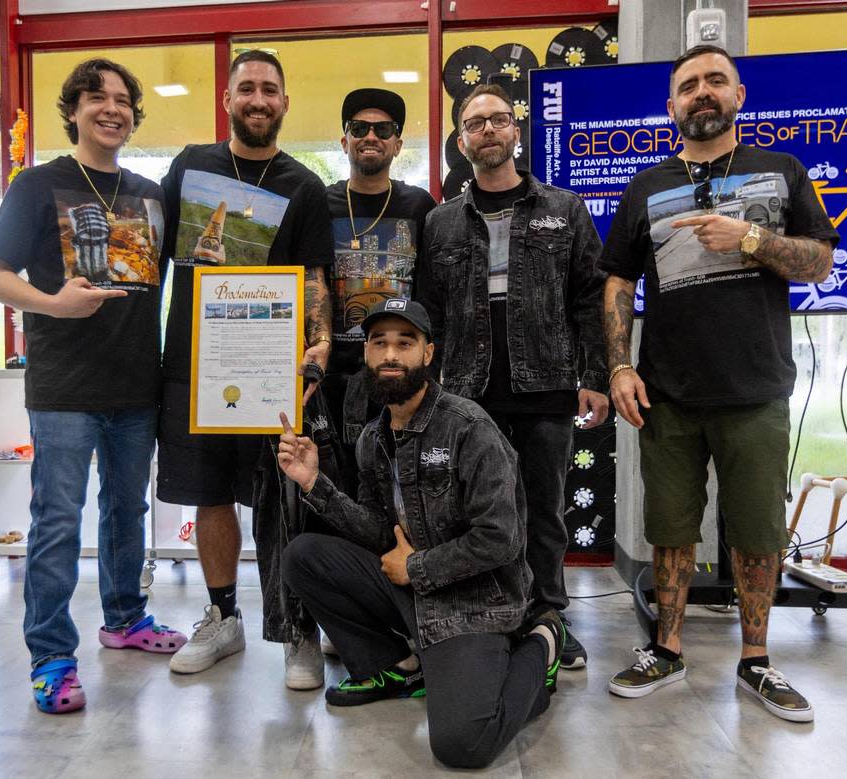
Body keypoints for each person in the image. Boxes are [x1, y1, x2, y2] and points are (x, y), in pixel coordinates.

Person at [600, 45, 838, 722]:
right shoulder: (645, 186)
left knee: (758, 530)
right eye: (687, 86)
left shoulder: (781, 170)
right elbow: (617, 279)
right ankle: (667, 649)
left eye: (714, 81)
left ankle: (758, 660)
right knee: (670, 529)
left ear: (739, 94)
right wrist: (618, 364)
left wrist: (753, 240)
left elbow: (819, 261)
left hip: (756, 388)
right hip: (668, 392)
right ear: (671, 106)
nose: (701, 93)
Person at [277, 298, 563, 770]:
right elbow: (376, 530)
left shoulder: (470, 428)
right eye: (379, 343)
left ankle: (541, 641)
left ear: (427, 355)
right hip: (412, 591)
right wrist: (313, 481)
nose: (391, 355)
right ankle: (396, 666)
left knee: (462, 745)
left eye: (404, 343)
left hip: (473, 603)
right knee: (303, 556)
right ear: (366, 354)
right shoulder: (373, 439)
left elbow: (501, 538)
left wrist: (415, 568)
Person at [0, 58, 185, 714]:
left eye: (123, 99)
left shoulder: (151, 192)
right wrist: (51, 302)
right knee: (58, 520)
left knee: (128, 511)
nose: (111, 109)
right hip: (65, 386)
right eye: (97, 97)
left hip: (136, 383)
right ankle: (51, 654)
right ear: (73, 110)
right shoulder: (37, 185)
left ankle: (125, 617)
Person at [156, 50, 335, 688]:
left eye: (270, 90)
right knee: (209, 494)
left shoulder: (304, 185)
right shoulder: (189, 166)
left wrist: (320, 342)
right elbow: (153, 258)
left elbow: (314, 277)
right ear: (228, 100)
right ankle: (223, 617)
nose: (258, 100)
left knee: (283, 499)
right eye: (247, 89)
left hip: (271, 370)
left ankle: (295, 632)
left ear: (285, 103)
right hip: (192, 365)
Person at [417, 83, 609, 670]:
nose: (489, 130)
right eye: (476, 124)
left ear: (516, 131)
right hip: (466, 394)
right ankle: (491, 617)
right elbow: (431, 314)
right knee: (479, 514)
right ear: (461, 142)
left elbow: (590, 301)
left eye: (499, 119)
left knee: (545, 510)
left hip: (546, 386)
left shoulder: (565, 210)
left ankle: (548, 616)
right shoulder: (440, 223)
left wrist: (596, 375)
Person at [322, 88, 436, 496]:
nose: (371, 136)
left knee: (401, 488)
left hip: (400, 377)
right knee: (339, 486)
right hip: (333, 378)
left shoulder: (420, 205)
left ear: (397, 143)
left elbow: (432, 290)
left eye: (383, 129)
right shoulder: (321, 203)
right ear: (344, 140)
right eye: (359, 128)